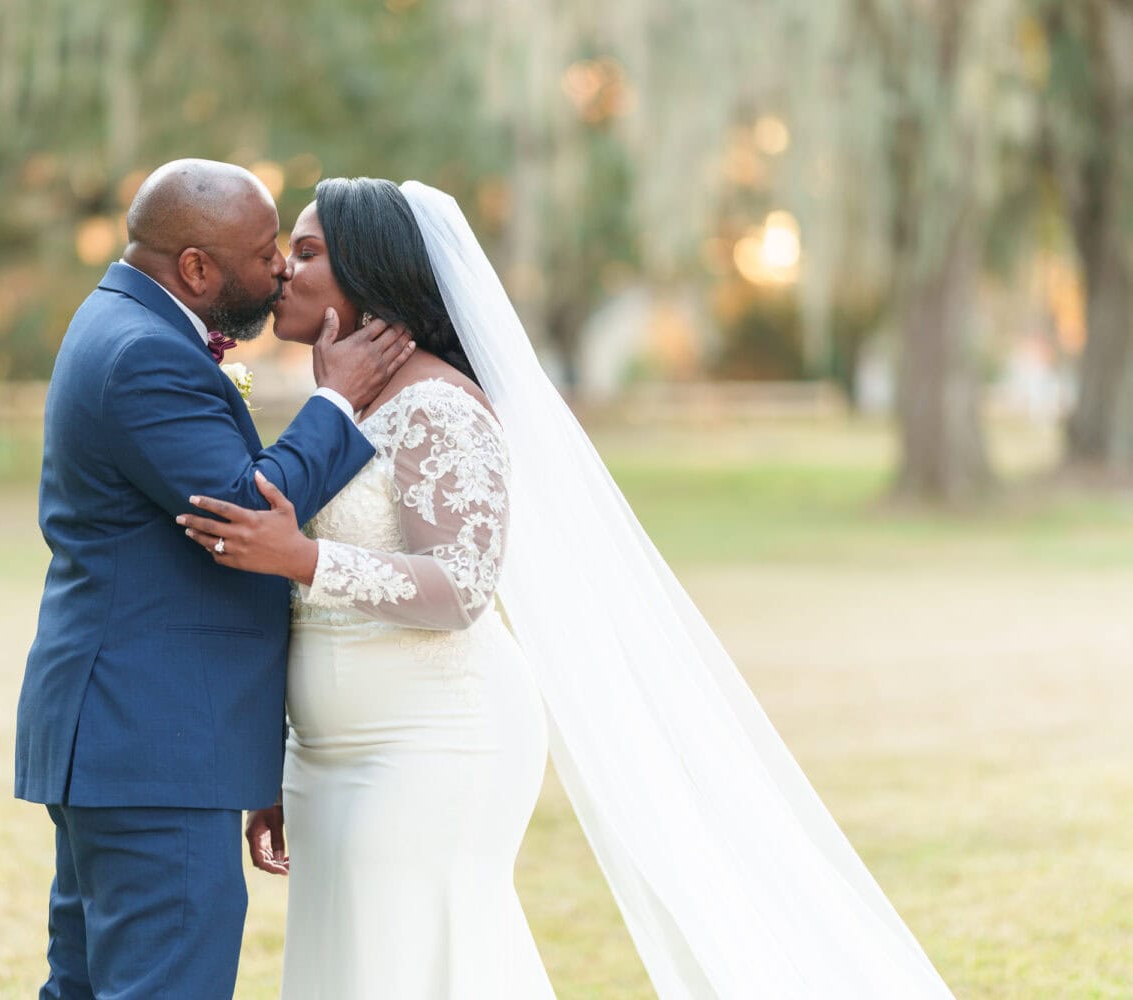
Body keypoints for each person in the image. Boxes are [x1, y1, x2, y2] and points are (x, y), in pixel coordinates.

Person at [177, 178, 959, 999]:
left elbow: (463, 586)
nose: (282, 275)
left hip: (433, 745)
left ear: (370, 271)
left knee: (416, 968)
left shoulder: (438, 406)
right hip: (325, 761)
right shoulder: (338, 411)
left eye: (307, 254)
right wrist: (276, 756)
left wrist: (302, 559)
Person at [13, 159, 414, 1000]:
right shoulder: (141, 354)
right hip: (152, 741)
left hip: (132, 740)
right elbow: (242, 511)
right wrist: (336, 404)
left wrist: (251, 764)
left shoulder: (126, 326)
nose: (278, 269)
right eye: (264, 250)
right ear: (195, 269)